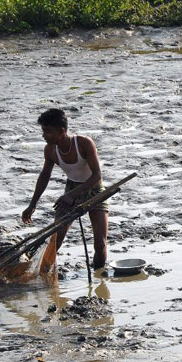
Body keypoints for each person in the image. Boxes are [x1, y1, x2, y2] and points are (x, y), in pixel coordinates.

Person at [21, 108, 109, 269]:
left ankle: (99, 276)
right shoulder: (50, 150)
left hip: (94, 189)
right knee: (56, 238)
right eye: (43, 131)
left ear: (62, 131)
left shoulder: (84, 143)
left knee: (99, 242)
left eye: (48, 132)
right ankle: (43, 271)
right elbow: (44, 176)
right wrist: (32, 204)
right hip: (71, 188)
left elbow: (96, 175)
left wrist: (73, 195)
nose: (44, 135)